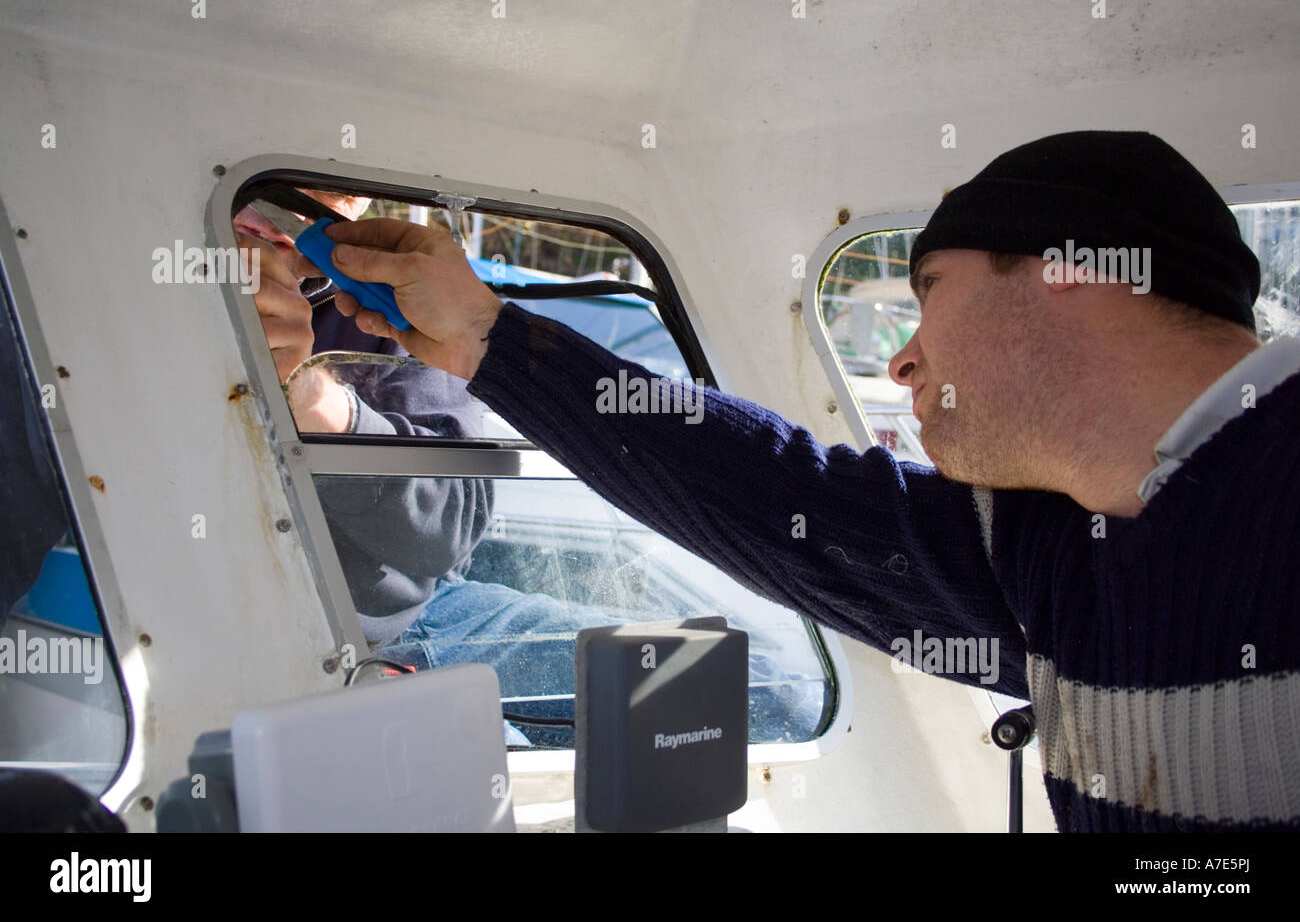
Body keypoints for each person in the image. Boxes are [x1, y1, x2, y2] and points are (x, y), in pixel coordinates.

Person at [320, 130, 1300, 831]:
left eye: (930, 296)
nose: (904, 360)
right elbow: (772, 495)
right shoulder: (1056, 548)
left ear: (1068, 275)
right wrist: (488, 340)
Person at [234, 194, 824, 742]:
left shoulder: (388, 302)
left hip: (407, 624)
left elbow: (450, 532)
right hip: (228, 636)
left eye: (345, 186)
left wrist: (320, 404)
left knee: (767, 693)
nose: (331, 202)